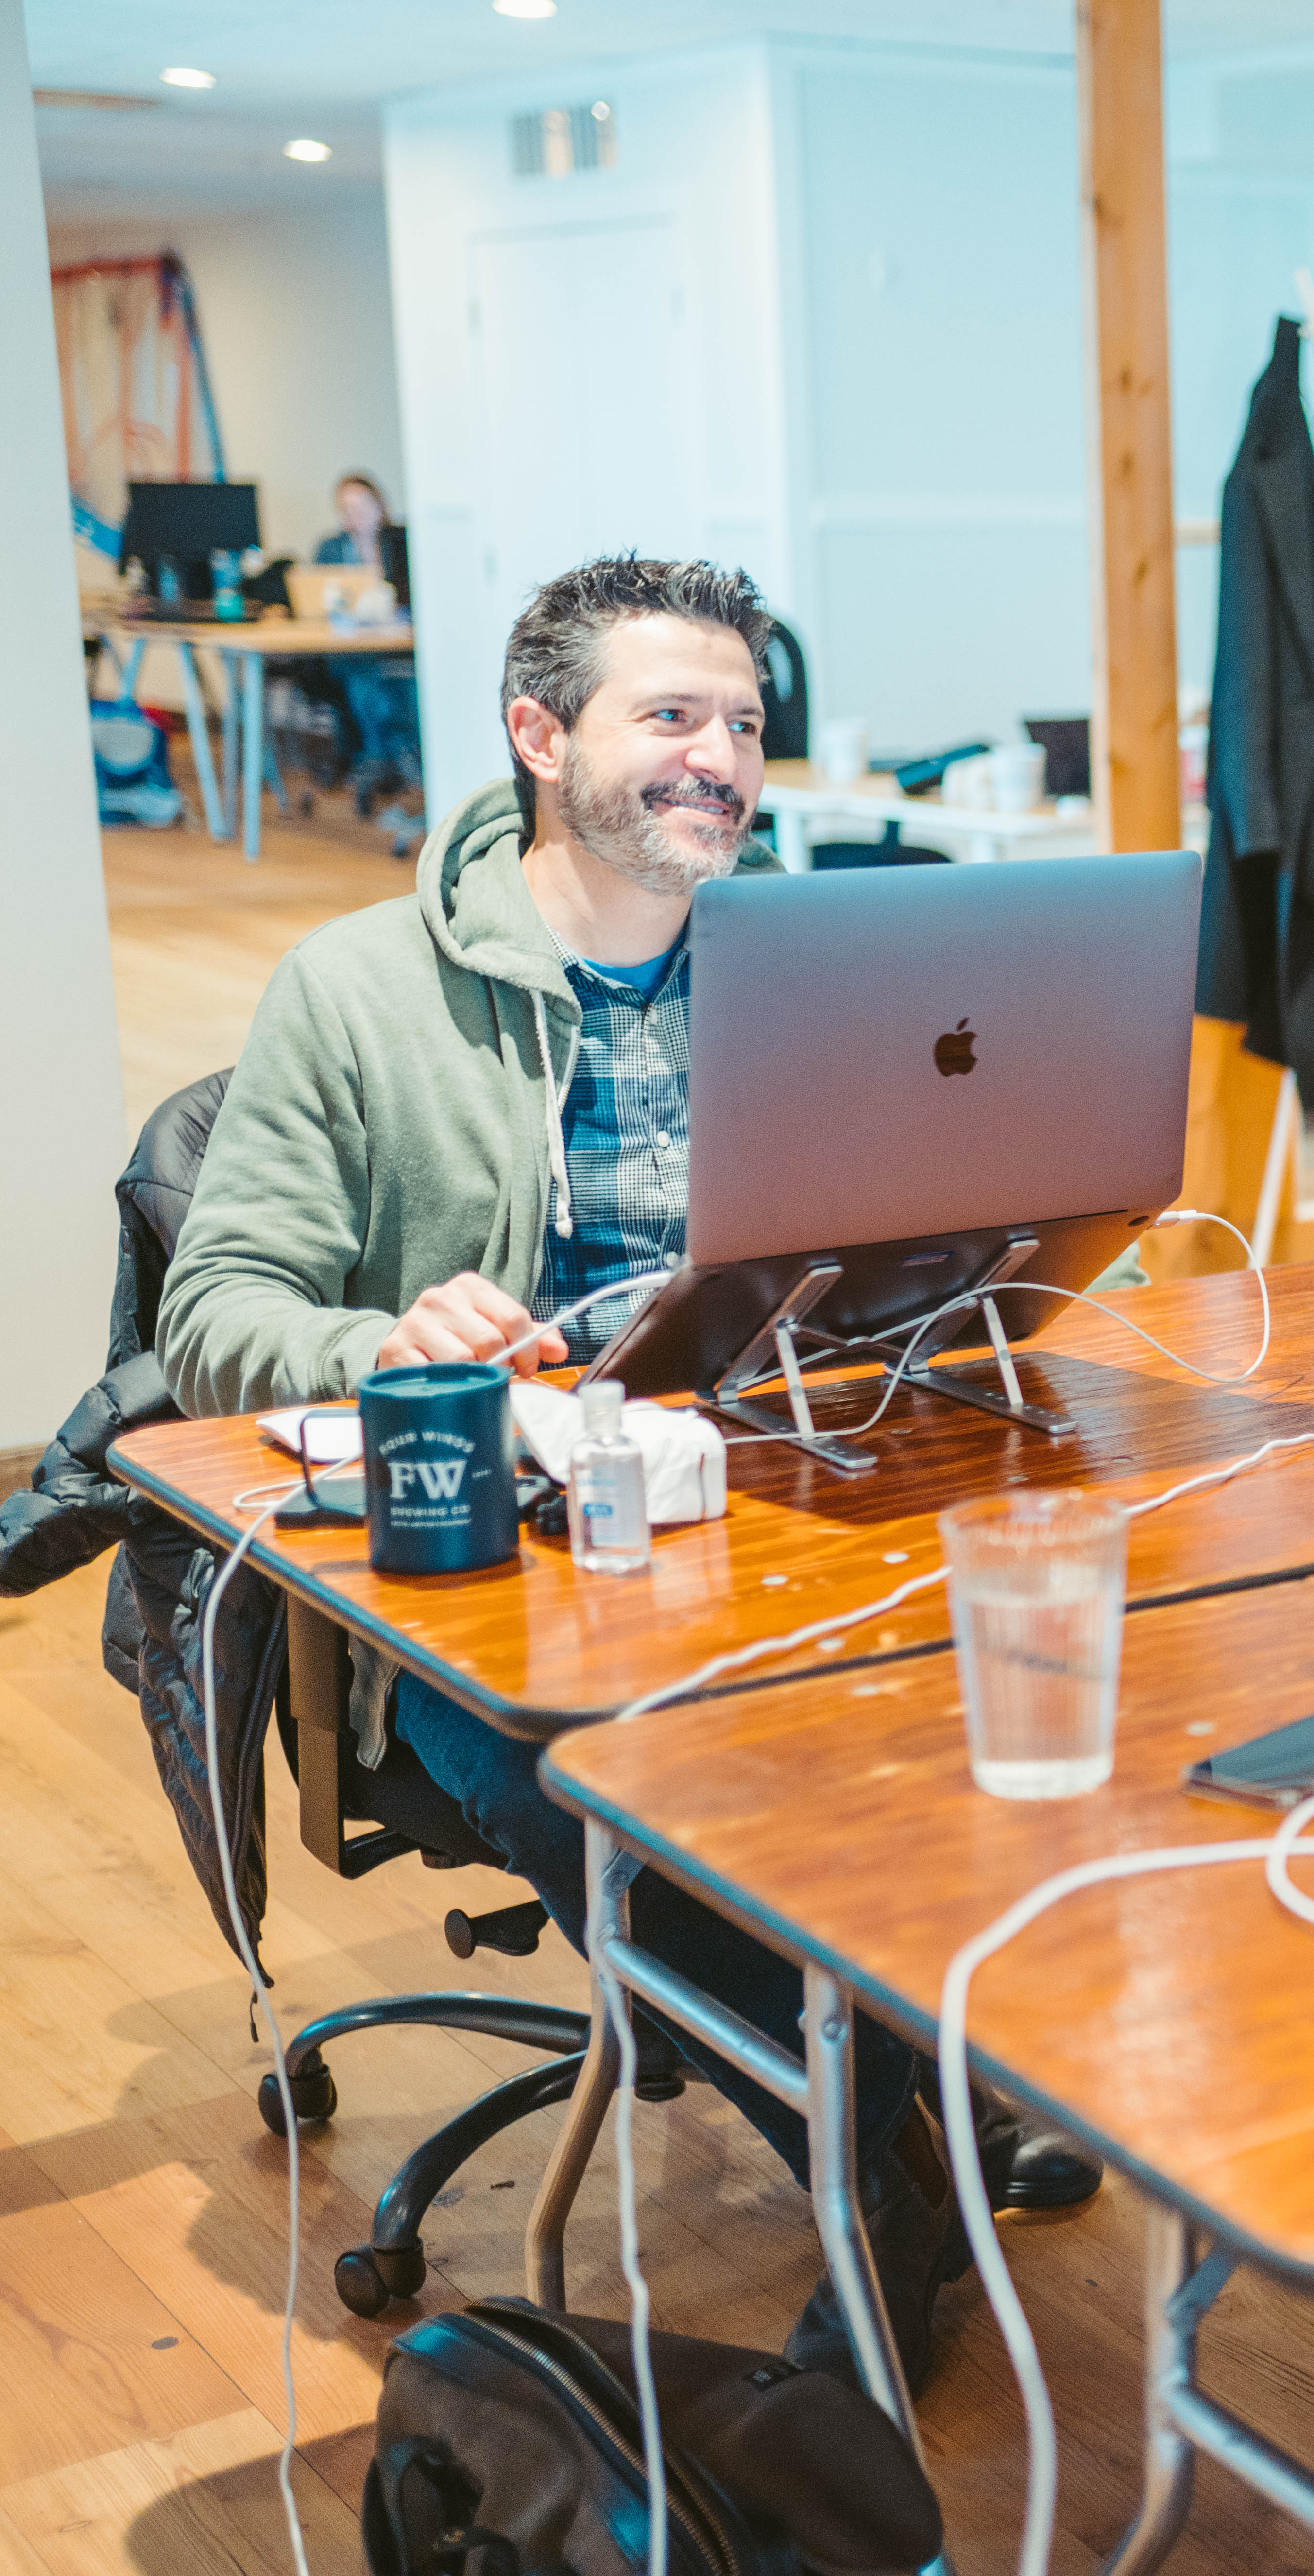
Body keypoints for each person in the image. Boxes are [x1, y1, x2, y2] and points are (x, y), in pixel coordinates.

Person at [157, 554, 1090, 2388]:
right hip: (503, 1562)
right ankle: (881, 2160)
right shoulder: (360, 989)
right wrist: (391, 1342)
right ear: (539, 734)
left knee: (1034, 1666)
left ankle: (934, 2094)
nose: (720, 760)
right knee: (572, 1755)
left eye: (743, 723)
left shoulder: (817, 963)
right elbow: (217, 1305)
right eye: (671, 716)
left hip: (800, 1496)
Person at [311, 470, 421, 810]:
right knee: (364, 680)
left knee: (403, 685)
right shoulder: (332, 549)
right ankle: (382, 760)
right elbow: (316, 601)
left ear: (380, 505)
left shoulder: (402, 544)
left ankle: (391, 761)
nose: (354, 515)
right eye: (346, 508)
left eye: (361, 505)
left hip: (400, 644)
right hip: (351, 650)